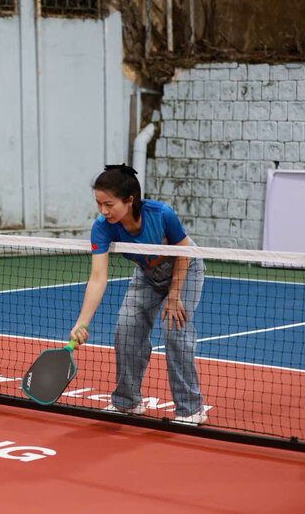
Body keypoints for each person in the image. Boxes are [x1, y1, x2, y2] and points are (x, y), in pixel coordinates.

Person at [70, 164, 207, 425]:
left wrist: (175, 294)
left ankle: (191, 409)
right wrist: (82, 322)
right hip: (147, 273)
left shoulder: (161, 214)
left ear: (130, 200)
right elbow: (98, 278)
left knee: (175, 329)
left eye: (109, 204)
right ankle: (127, 401)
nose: (103, 211)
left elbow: (184, 252)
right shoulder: (103, 227)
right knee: (127, 328)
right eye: (99, 204)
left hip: (184, 267)